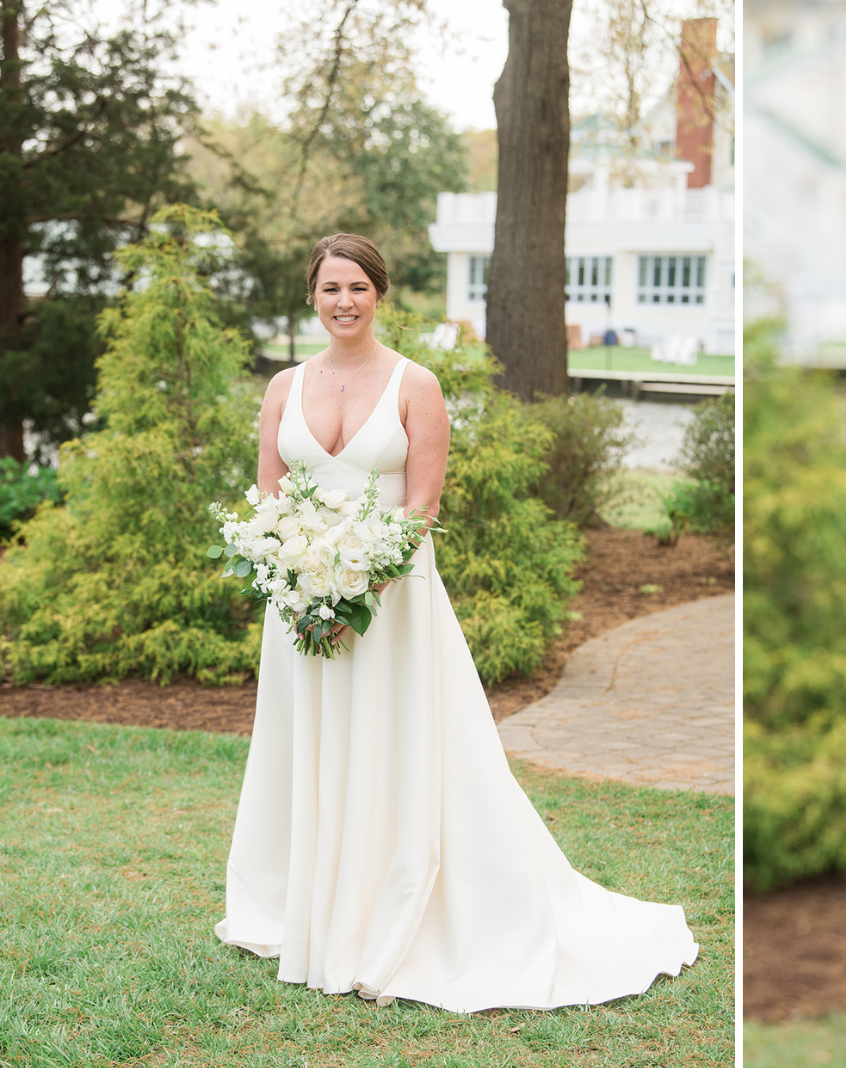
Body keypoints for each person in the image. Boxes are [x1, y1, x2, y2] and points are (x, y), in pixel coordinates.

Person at [213, 233, 699, 1012]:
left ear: (381, 295)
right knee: (311, 744)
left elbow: (421, 509)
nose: (344, 302)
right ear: (312, 296)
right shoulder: (282, 388)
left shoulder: (416, 384)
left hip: (389, 603)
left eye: (358, 289)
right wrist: (304, 587)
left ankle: (391, 905)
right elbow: (269, 499)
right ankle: (309, 903)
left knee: (390, 743)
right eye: (331, 288)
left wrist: (353, 591)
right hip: (300, 603)